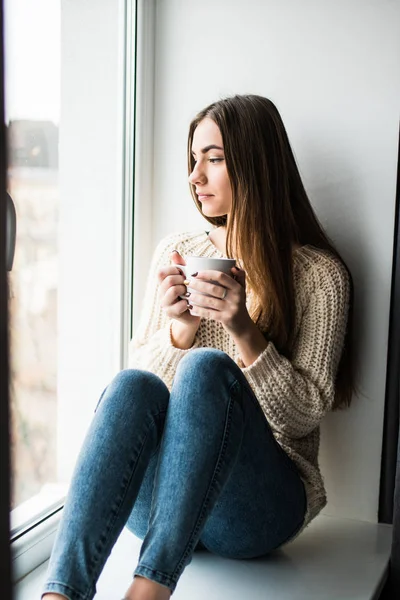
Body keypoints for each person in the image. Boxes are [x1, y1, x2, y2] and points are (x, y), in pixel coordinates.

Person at [41, 94, 354, 600]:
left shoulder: (320, 277)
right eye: (193, 160)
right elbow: (139, 407)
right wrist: (178, 332)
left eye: (212, 159)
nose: (194, 176)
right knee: (130, 384)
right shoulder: (176, 253)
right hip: (161, 503)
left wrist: (242, 329)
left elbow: (302, 419)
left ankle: (148, 592)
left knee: (208, 369)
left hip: (255, 512)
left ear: (256, 165)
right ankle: (60, 592)